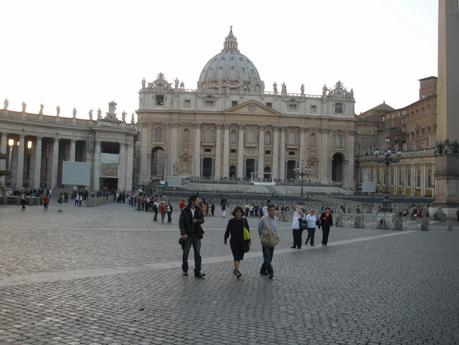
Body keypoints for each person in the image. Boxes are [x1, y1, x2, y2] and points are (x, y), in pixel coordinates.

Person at [179, 194, 206, 278]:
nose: (199, 202)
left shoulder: (199, 210)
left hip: (197, 235)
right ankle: (185, 269)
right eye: (197, 201)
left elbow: (202, 220)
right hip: (188, 236)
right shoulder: (184, 211)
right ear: (192, 201)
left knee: (197, 254)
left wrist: (197, 220)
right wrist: (183, 233)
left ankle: (197, 271)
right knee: (185, 253)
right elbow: (181, 223)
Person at [224, 206, 250, 279]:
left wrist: (249, 241)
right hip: (234, 242)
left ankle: (235, 269)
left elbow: (248, 231)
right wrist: (225, 238)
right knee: (236, 256)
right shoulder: (231, 221)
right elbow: (227, 230)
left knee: (239, 257)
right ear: (234, 213)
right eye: (237, 212)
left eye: (240, 212)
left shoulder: (244, 220)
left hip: (242, 242)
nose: (238, 213)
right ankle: (238, 271)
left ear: (242, 213)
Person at [258, 204, 278, 279]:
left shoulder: (276, 219)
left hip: (272, 240)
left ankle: (263, 270)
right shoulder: (263, 219)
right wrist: (261, 237)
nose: (272, 211)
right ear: (268, 211)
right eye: (270, 210)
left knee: (269, 258)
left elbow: (275, 228)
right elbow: (259, 228)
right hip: (265, 240)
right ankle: (271, 272)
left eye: (274, 210)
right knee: (267, 257)